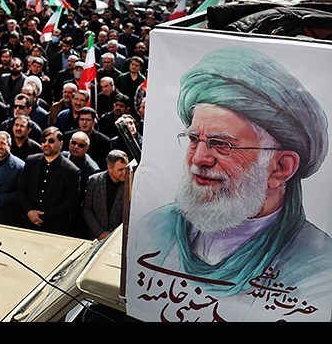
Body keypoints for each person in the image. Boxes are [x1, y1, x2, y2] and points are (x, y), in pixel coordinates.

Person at [133, 47, 332, 316]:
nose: (199, 159)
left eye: (222, 144)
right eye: (194, 139)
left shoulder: (318, 270)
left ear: (280, 168)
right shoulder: (155, 228)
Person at [18, 127, 81, 236]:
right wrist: (29, 211)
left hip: (54, 227)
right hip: (28, 223)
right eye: (43, 141)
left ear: (61, 144)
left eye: (51, 141)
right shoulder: (31, 161)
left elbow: (70, 202)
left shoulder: (71, 170)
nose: (46, 144)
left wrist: (43, 216)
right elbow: (21, 188)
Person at [82, 150, 129, 240]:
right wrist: (100, 232)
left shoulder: (130, 184)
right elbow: (87, 209)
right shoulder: (94, 181)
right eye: (120, 170)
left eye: (126, 169)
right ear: (109, 168)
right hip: (96, 236)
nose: (124, 173)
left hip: (119, 238)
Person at [63, 130, 101, 239]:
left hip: (76, 216)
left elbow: (87, 201)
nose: (76, 147)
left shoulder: (92, 170)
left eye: (81, 145)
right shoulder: (62, 156)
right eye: (74, 143)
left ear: (87, 148)